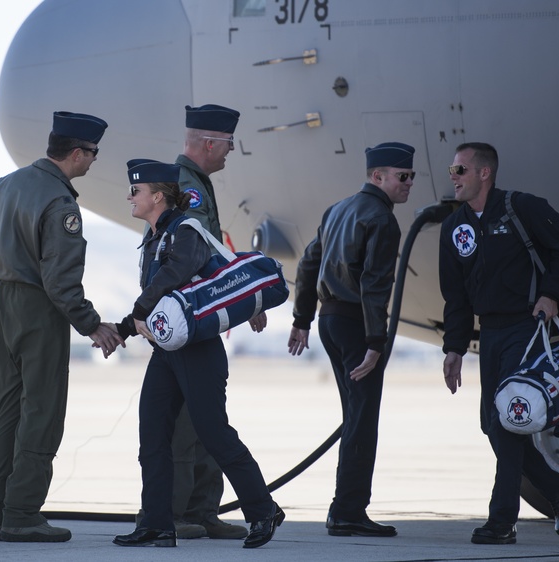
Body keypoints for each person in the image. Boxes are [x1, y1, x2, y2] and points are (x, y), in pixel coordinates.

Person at [0, 111, 124, 544]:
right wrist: (93, 325)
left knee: (2, 412)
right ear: (76, 153)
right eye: (92, 154)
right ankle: (22, 514)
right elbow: (61, 281)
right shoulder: (60, 203)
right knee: (42, 412)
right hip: (40, 308)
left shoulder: (7, 184)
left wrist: (5, 269)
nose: (93, 162)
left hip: (5, 303)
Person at [112, 159, 284, 549]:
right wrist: (123, 329)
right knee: (152, 432)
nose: (129, 197)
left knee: (213, 432)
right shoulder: (155, 236)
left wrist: (137, 313)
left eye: (135, 191)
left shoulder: (185, 232)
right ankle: (157, 523)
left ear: (157, 196)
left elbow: (174, 275)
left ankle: (262, 510)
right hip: (168, 352)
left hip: (199, 353)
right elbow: (159, 300)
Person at [439, 142, 559, 544]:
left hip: (527, 327)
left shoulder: (523, 208)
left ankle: (502, 521)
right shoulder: (455, 228)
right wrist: (453, 348)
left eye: (460, 170)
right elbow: (456, 296)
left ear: (484, 173)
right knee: (494, 424)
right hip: (491, 334)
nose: (453, 177)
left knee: (508, 422)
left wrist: (551, 294)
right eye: (452, 170)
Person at [288, 142, 416, 539]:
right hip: (357, 326)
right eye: (401, 176)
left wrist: (303, 318)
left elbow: (309, 263)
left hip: (330, 322)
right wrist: (376, 342)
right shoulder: (382, 218)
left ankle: (346, 508)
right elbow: (375, 285)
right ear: (377, 176)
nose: (408, 184)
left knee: (354, 416)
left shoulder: (338, 209)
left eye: (411, 177)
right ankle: (347, 511)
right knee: (362, 421)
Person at [157, 103, 259, 540]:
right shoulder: (187, 187)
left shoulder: (197, 183)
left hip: (200, 314)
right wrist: (242, 296)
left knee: (207, 416)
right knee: (186, 422)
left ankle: (202, 510)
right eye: (228, 145)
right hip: (189, 316)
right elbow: (195, 254)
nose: (230, 153)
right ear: (209, 143)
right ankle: (181, 512)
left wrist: (242, 299)